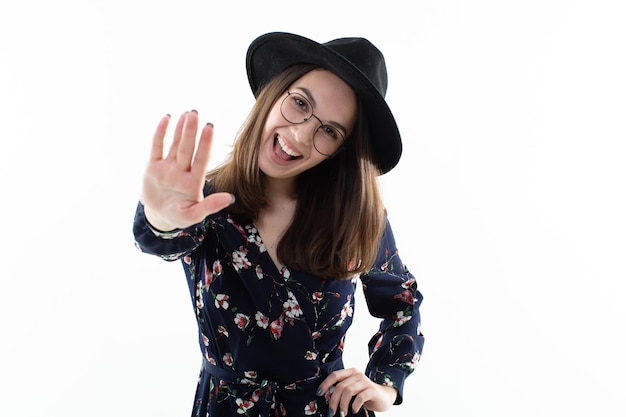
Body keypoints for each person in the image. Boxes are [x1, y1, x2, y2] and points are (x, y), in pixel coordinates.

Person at [133, 32, 424, 417]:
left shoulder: (357, 217)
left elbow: (401, 303)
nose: (301, 135)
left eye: (330, 131)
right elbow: (164, 237)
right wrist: (161, 218)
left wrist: (385, 384)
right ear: (275, 93)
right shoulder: (203, 202)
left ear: (341, 149)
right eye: (300, 103)